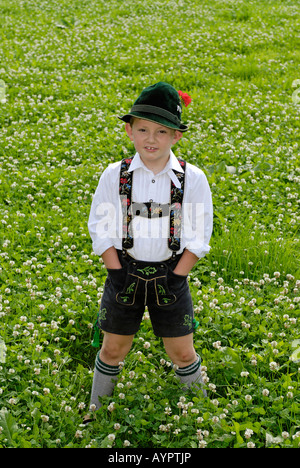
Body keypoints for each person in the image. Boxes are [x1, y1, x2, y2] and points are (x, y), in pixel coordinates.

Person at [85, 82, 213, 422]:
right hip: (123, 272)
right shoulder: (116, 175)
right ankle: (95, 410)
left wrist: (178, 275)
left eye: (161, 131)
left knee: (182, 352)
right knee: (113, 348)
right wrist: (115, 272)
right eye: (142, 129)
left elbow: (200, 235)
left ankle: (197, 414)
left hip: (171, 275)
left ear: (176, 136)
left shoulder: (192, 178)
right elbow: (100, 226)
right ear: (129, 131)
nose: (151, 139)